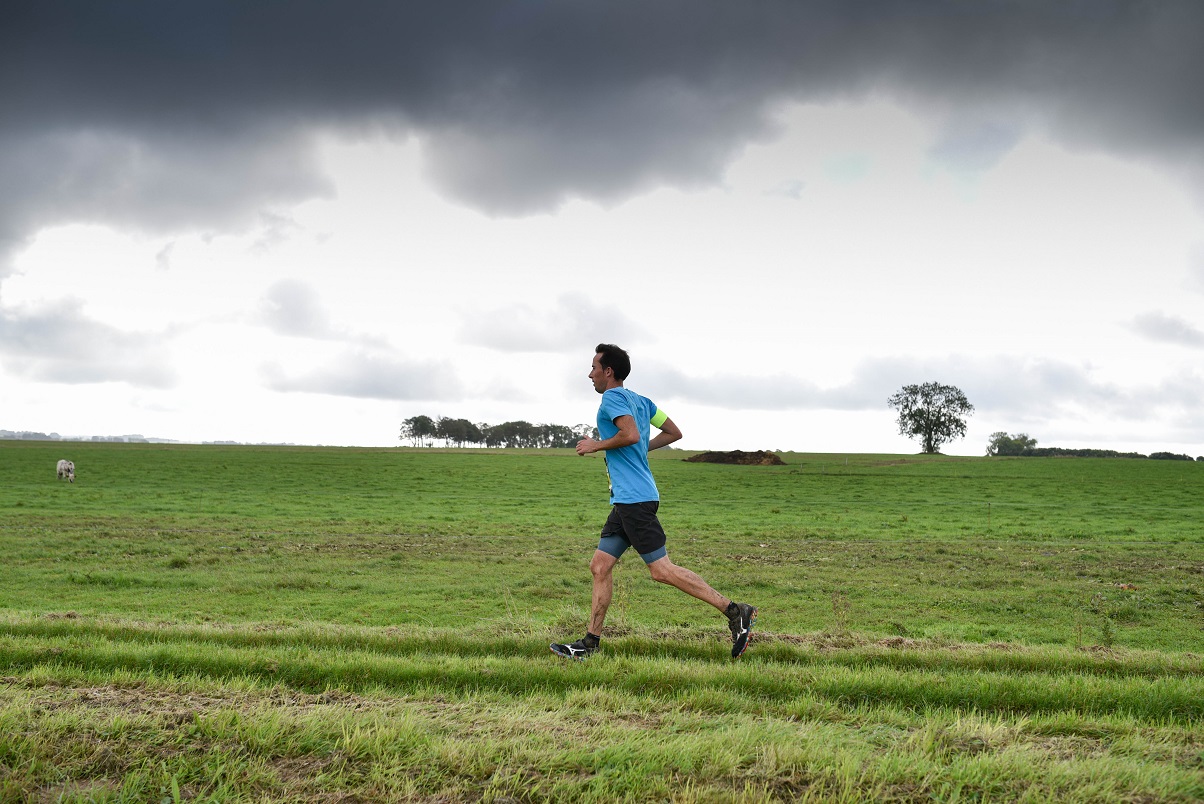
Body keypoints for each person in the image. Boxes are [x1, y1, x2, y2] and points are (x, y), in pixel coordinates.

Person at [550, 343, 758, 660]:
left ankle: (735, 611)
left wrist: (597, 445)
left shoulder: (612, 397)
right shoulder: (643, 401)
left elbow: (631, 434)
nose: (589, 374)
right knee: (600, 566)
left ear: (608, 371)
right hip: (628, 500)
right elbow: (673, 432)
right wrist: (637, 450)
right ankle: (590, 644)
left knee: (661, 571)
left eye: (593, 367)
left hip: (635, 500)